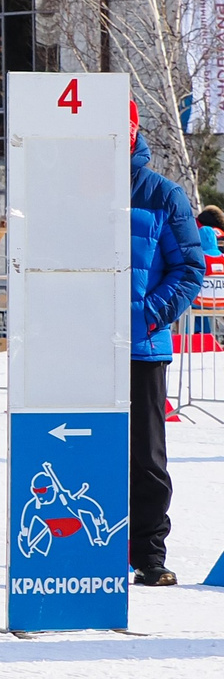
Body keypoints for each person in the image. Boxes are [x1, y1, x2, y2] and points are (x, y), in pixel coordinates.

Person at [127, 102, 201, 586]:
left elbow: (190, 269)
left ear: (133, 132)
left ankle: (150, 554)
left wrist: (147, 314)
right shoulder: (68, 186)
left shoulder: (163, 194)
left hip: (141, 348)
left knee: (147, 458)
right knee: (89, 449)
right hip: (80, 348)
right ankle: (93, 548)